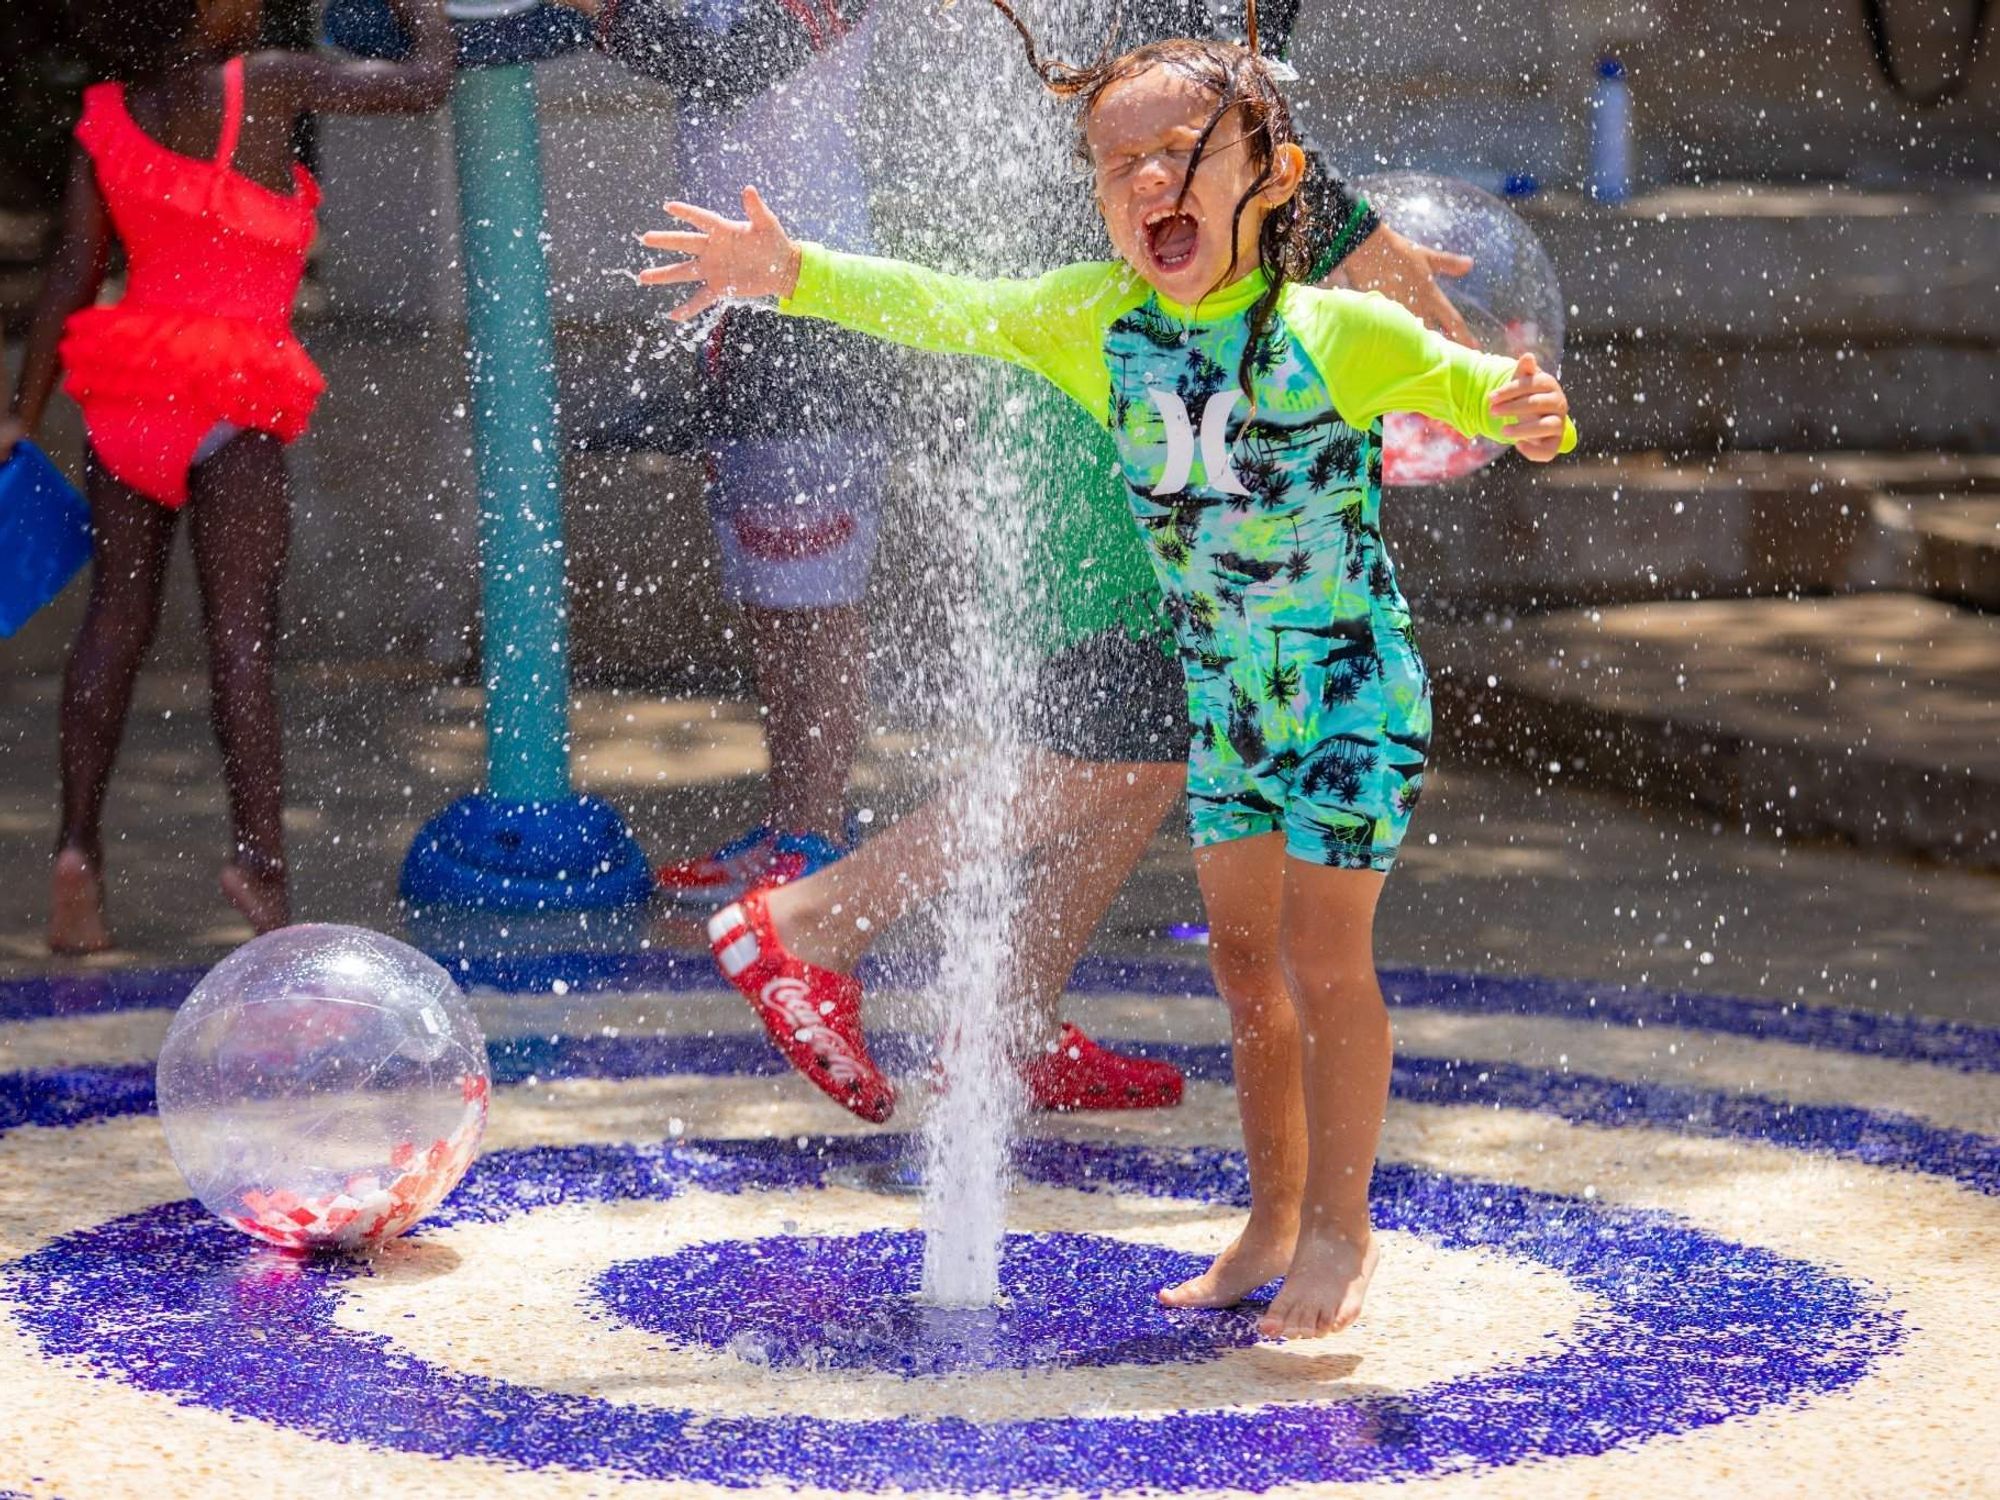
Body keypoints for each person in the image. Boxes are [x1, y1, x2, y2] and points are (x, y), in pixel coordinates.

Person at [640, 21, 1576, 1336]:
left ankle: (1341, 1232)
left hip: (1350, 696)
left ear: (1276, 175)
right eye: (1115, 163)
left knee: (1325, 965)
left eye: (1181, 155)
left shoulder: (1338, 331)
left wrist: (1527, 408)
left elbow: (1483, 389)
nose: (1147, 184)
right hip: (1226, 703)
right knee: (1246, 970)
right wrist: (789, 270)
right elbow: (943, 306)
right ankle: (1264, 1219)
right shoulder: (1096, 326)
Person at [1, 0, 453, 952]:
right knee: (241, 637)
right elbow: (423, 89)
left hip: (129, 387)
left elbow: (71, 276)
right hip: (236, 392)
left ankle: (76, 854)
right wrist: (427, 17)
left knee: (112, 623)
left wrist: (19, 413)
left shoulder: (110, 112)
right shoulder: (270, 81)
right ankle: (260, 865)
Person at [557, 0, 887, 904]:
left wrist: (597, 11)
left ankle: (816, 837)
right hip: (734, 314)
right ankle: (791, 824)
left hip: (821, 302)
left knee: (814, 589)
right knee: (767, 589)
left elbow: (733, 63)